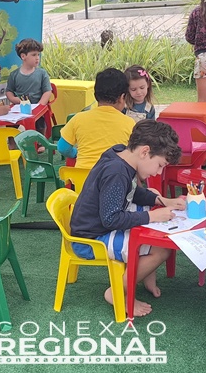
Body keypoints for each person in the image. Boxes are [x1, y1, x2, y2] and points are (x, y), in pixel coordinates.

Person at [70, 120, 185, 317]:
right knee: (161, 249)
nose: (158, 172)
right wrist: (152, 216)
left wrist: (162, 200)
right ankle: (116, 292)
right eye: (160, 165)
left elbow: (133, 192)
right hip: (91, 239)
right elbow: (111, 219)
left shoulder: (121, 155)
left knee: (152, 209)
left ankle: (146, 273)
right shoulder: (117, 172)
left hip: (97, 227)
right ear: (144, 151)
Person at [57, 68, 137, 170]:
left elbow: (62, 148)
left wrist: (75, 153)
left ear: (95, 95)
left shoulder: (78, 119)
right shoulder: (129, 123)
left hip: (81, 178)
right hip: (112, 178)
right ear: (122, 97)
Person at [5, 38, 53, 137]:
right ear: (23, 56)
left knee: (40, 123)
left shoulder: (42, 73)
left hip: (37, 107)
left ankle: (40, 141)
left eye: (38, 55)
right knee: (10, 125)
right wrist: (14, 99)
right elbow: (9, 91)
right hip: (19, 108)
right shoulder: (14, 75)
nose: (37, 58)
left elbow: (47, 91)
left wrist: (40, 105)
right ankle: (12, 143)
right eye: (34, 55)